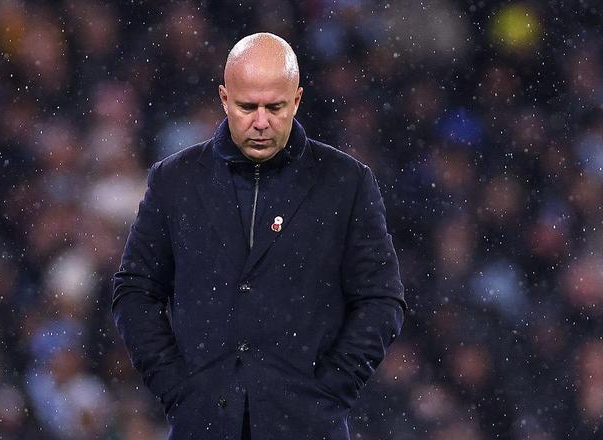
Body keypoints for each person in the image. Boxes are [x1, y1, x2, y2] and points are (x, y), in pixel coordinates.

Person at [112, 32, 406, 440]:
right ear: (224, 99)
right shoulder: (175, 180)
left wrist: (331, 391)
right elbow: (135, 291)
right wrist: (176, 388)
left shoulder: (346, 182)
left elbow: (381, 299)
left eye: (275, 107)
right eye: (248, 107)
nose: (261, 121)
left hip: (308, 428)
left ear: (297, 100)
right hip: (204, 425)